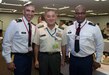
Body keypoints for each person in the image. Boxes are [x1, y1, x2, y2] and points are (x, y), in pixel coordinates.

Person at [65, 5, 104, 75]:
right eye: (77, 13)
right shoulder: (69, 27)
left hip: (87, 60)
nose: (80, 15)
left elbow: (100, 44)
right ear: (74, 14)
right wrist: (66, 54)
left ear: (85, 14)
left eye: (82, 13)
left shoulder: (94, 27)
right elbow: (68, 43)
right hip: (73, 59)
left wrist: (98, 60)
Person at [2, 3, 36, 75]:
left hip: (29, 57)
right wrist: (8, 61)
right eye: (28, 10)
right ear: (23, 11)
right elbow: (6, 42)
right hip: (18, 57)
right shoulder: (15, 23)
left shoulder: (33, 26)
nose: (30, 13)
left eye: (32, 11)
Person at [33, 10, 66, 75]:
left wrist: (63, 59)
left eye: (53, 16)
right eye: (48, 16)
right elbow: (36, 46)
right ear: (45, 17)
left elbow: (63, 46)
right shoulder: (39, 29)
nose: (51, 18)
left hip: (56, 57)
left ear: (56, 17)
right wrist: (36, 60)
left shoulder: (62, 30)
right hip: (43, 57)